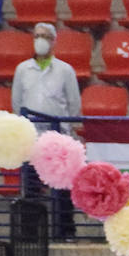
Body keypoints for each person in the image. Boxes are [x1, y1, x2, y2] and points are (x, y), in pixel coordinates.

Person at [11, 22, 79, 238]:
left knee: (62, 189)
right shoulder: (22, 69)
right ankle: (30, 234)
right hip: (32, 139)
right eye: (37, 35)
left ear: (53, 41)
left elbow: (73, 103)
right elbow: (16, 102)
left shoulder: (65, 70)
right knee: (31, 189)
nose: (40, 39)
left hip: (59, 138)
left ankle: (66, 233)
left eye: (46, 36)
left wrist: (66, 129)